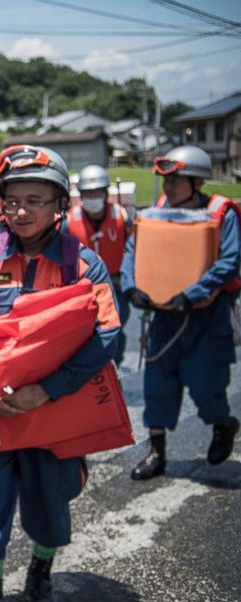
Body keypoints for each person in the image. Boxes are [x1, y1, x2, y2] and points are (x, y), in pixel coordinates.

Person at [0, 145, 121, 602]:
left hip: (54, 413)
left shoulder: (84, 267)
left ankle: (41, 574)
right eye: (12, 201)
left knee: (50, 502)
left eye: (34, 200)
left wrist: (47, 389)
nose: (21, 211)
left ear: (59, 205)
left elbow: (108, 334)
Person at [122, 145, 240, 480]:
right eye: (166, 180)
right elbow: (134, 250)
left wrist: (192, 295)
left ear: (196, 182)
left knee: (207, 384)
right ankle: (156, 451)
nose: (168, 187)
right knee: (157, 384)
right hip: (163, 316)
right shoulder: (157, 211)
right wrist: (132, 286)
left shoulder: (221, 214)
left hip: (206, 315)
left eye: (175, 181)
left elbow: (229, 263)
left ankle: (223, 424)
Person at [64, 164, 132, 365]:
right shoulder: (69, 221)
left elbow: (132, 250)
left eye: (97, 192)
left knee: (114, 327)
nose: (93, 197)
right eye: (88, 193)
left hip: (115, 284)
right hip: (82, 286)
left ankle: (114, 365)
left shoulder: (121, 216)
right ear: (81, 195)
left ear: (105, 193)